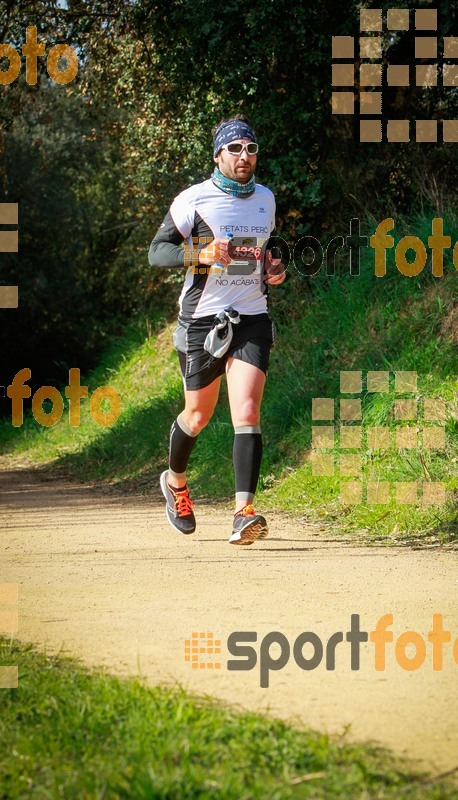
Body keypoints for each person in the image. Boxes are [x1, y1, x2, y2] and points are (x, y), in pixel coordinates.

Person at [148, 114, 285, 545]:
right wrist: (200, 253)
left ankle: (243, 512)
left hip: (251, 316)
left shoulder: (266, 198)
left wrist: (275, 265)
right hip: (202, 319)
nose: (244, 156)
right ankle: (175, 482)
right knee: (198, 415)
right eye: (235, 149)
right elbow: (157, 252)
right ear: (218, 155)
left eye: (251, 148)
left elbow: (268, 246)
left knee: (246, 410)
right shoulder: (193, 199)